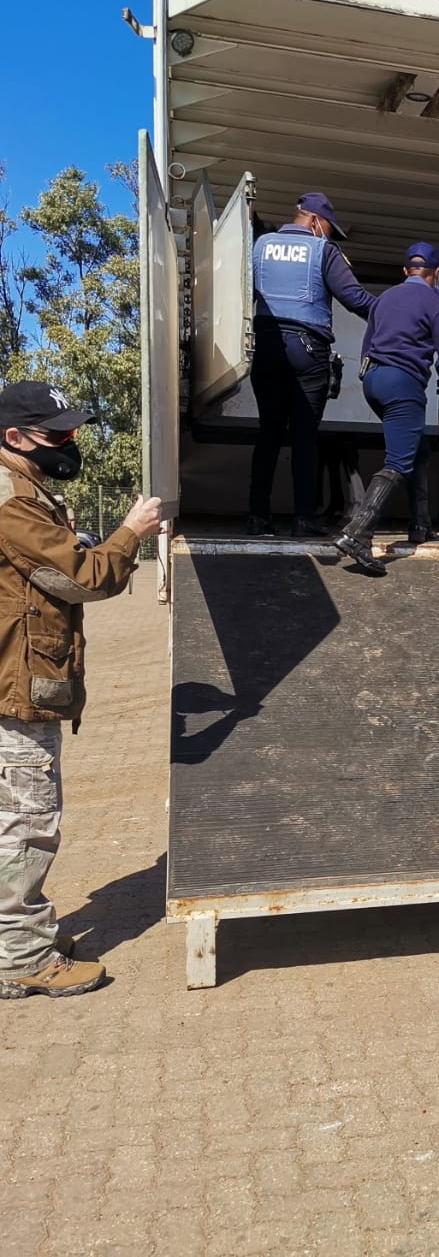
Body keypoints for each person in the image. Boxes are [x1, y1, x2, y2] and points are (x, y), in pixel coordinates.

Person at [0, 381, 164, 999]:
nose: (70, 444)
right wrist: (131, 532)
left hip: (13, 682)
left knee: (14, 818)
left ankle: (19, 936)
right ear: (14, 438)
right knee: (26, 823)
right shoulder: (13, 503)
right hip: (12, 690)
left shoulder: (27, 495)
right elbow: (86, 580)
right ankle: (21, 959)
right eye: (57, 435)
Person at [247, 191, 374, 539]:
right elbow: (354, 298)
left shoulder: (258, 247)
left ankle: (258, 517)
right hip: (307, 350)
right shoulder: (323, 251)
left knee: (269, 434)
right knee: (305, 437)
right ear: (316, 221)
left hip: (266, 346)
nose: (330, 235)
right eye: (330, 228)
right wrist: (394, 311)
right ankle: (305, 517)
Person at [334, 242, 439, 576]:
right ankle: (357, 534)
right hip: (404, 384)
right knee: (398, 460)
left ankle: (420, 523)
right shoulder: (434, 301)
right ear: (435, 274)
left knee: (416, 446)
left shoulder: (385, 298)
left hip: (374, 381)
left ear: (406, 271)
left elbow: (367, 343)